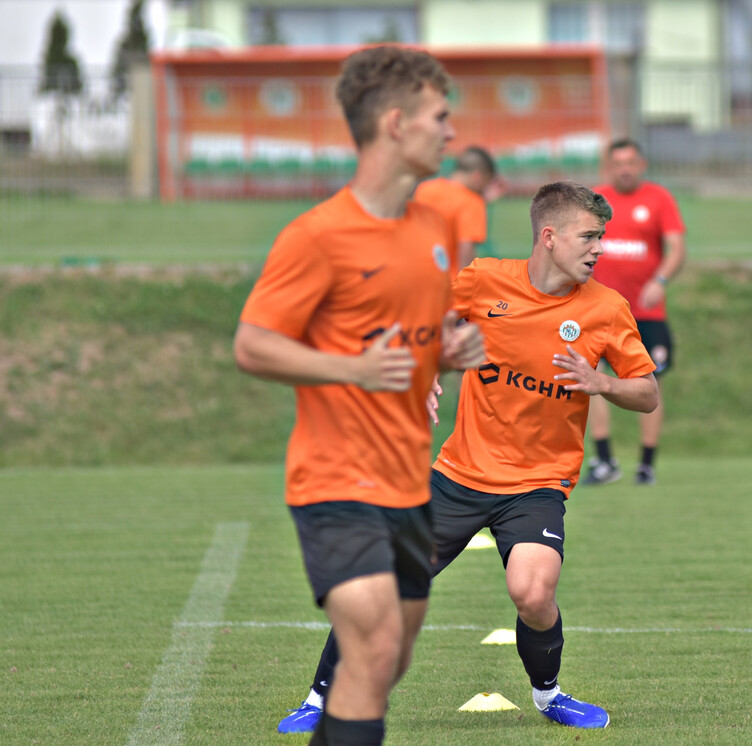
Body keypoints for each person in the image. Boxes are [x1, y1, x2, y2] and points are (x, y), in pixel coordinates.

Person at [276, 181, 659, 733]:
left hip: (537, 484)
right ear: (549, 237)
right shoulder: (485, 280)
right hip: (458, 476)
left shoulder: (606, 308)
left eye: (603, 237)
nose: (600, 248)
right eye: (590, 237)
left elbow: (647, 394)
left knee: (533, 591)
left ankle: (548, 695)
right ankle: (320, 700)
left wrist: (600, 381)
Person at [233, 46, 486, 746]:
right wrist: (350, 369)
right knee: (371, 649)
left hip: (409, 484)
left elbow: (419, 337)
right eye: (441, 116)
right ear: (396, 124)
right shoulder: (317, 235)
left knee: (386, 663)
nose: (451, 132)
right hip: (335, 480)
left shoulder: (434, 231)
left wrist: (447, 354)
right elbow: (253, 344)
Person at [583, 138, 686, 486]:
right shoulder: (594, 200)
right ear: (608, 167)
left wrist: (660, 280)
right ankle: (605, 460)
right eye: (618, 163)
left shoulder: (659, 199)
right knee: (590, 379)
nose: (625, 168)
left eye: (631, 162)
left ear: (641, 164)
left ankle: (646, 465)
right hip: (597, 310)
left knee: (649, 382)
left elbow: (677, 248)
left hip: (645, 313)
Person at [413, 145, 501, 273]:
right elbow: (466, 249)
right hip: (449, 283)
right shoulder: (472, 203)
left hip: (420, 276)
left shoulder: (424, 189)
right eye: (487, 181)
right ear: (477, 176)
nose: (485, 188)